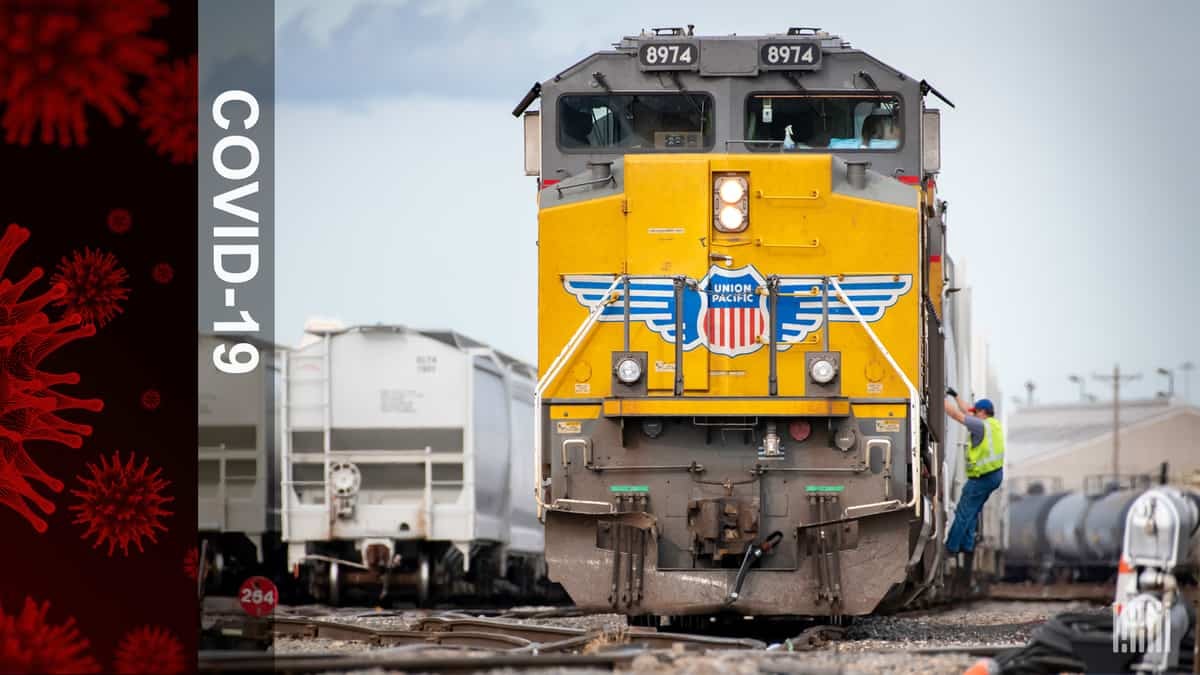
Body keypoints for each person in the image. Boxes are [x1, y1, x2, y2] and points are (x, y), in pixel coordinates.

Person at [943, 388, 1005, 588]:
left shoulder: (979, 426)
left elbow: (956, 414)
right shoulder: (992, 425)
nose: (973, 413)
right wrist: (954, 395)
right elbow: (966, 411)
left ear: (982, 413)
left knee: (964, 511)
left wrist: (936, 397)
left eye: (975, 411)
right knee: (973, 512)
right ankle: (967, 545)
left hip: (982, 477)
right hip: (995, 476)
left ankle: (951, 547)